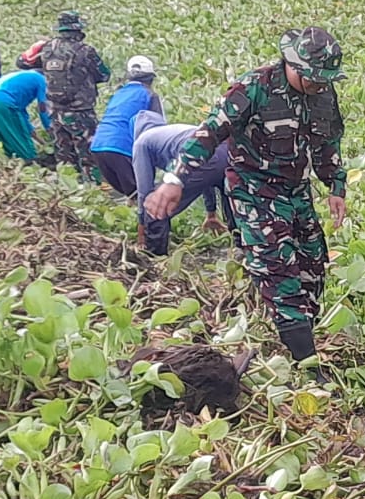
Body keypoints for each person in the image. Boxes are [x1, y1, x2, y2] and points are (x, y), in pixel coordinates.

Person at [145, 27, 348, 383]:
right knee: (277, 268)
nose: (321, 86)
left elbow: (327, 143)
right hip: (254, 188)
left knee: (312, 264)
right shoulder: (254, 87)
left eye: (325, 80)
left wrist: (336, 185)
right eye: (315, 79)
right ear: (294, 66)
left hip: (296, 189)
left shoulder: (323, 95)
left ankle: (300, 330)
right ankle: (308, 364)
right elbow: (208, 133)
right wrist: (175, 180)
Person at [131, 110, 228, 255]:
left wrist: (142, 227)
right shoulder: (173, 132)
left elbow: (144, 191)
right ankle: (243, 250)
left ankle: (153, 256)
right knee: (236, 205)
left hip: (204, 159)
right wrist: (211, 213)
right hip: (227, 154)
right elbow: (205, 170)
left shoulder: (142, 142)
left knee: (156, 206)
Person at [40, 11, 111, 183]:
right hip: (81, 110)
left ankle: (68, 188)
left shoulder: (47, 49)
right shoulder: (85, 51)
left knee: (63, 152)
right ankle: (95, 187)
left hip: (55, 109)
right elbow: (104, 75)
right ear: (78, 30)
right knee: (88, 152)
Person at [90, 55, 163, 198]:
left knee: (124, 194)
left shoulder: (119, 93)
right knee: (142, 196)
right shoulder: (149, 95)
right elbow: (157, 130)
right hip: (121, 148)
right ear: (150, 79)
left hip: (98, 146)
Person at [0, 69, 52, 161]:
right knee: (22, 143)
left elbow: (21, 113)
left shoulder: (20, 76)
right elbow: (43, 107)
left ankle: (7, 165)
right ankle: (31, 162)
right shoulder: (42, 79)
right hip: (1, 101)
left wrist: (32, 132)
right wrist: (50, 128)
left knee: (0, 143)